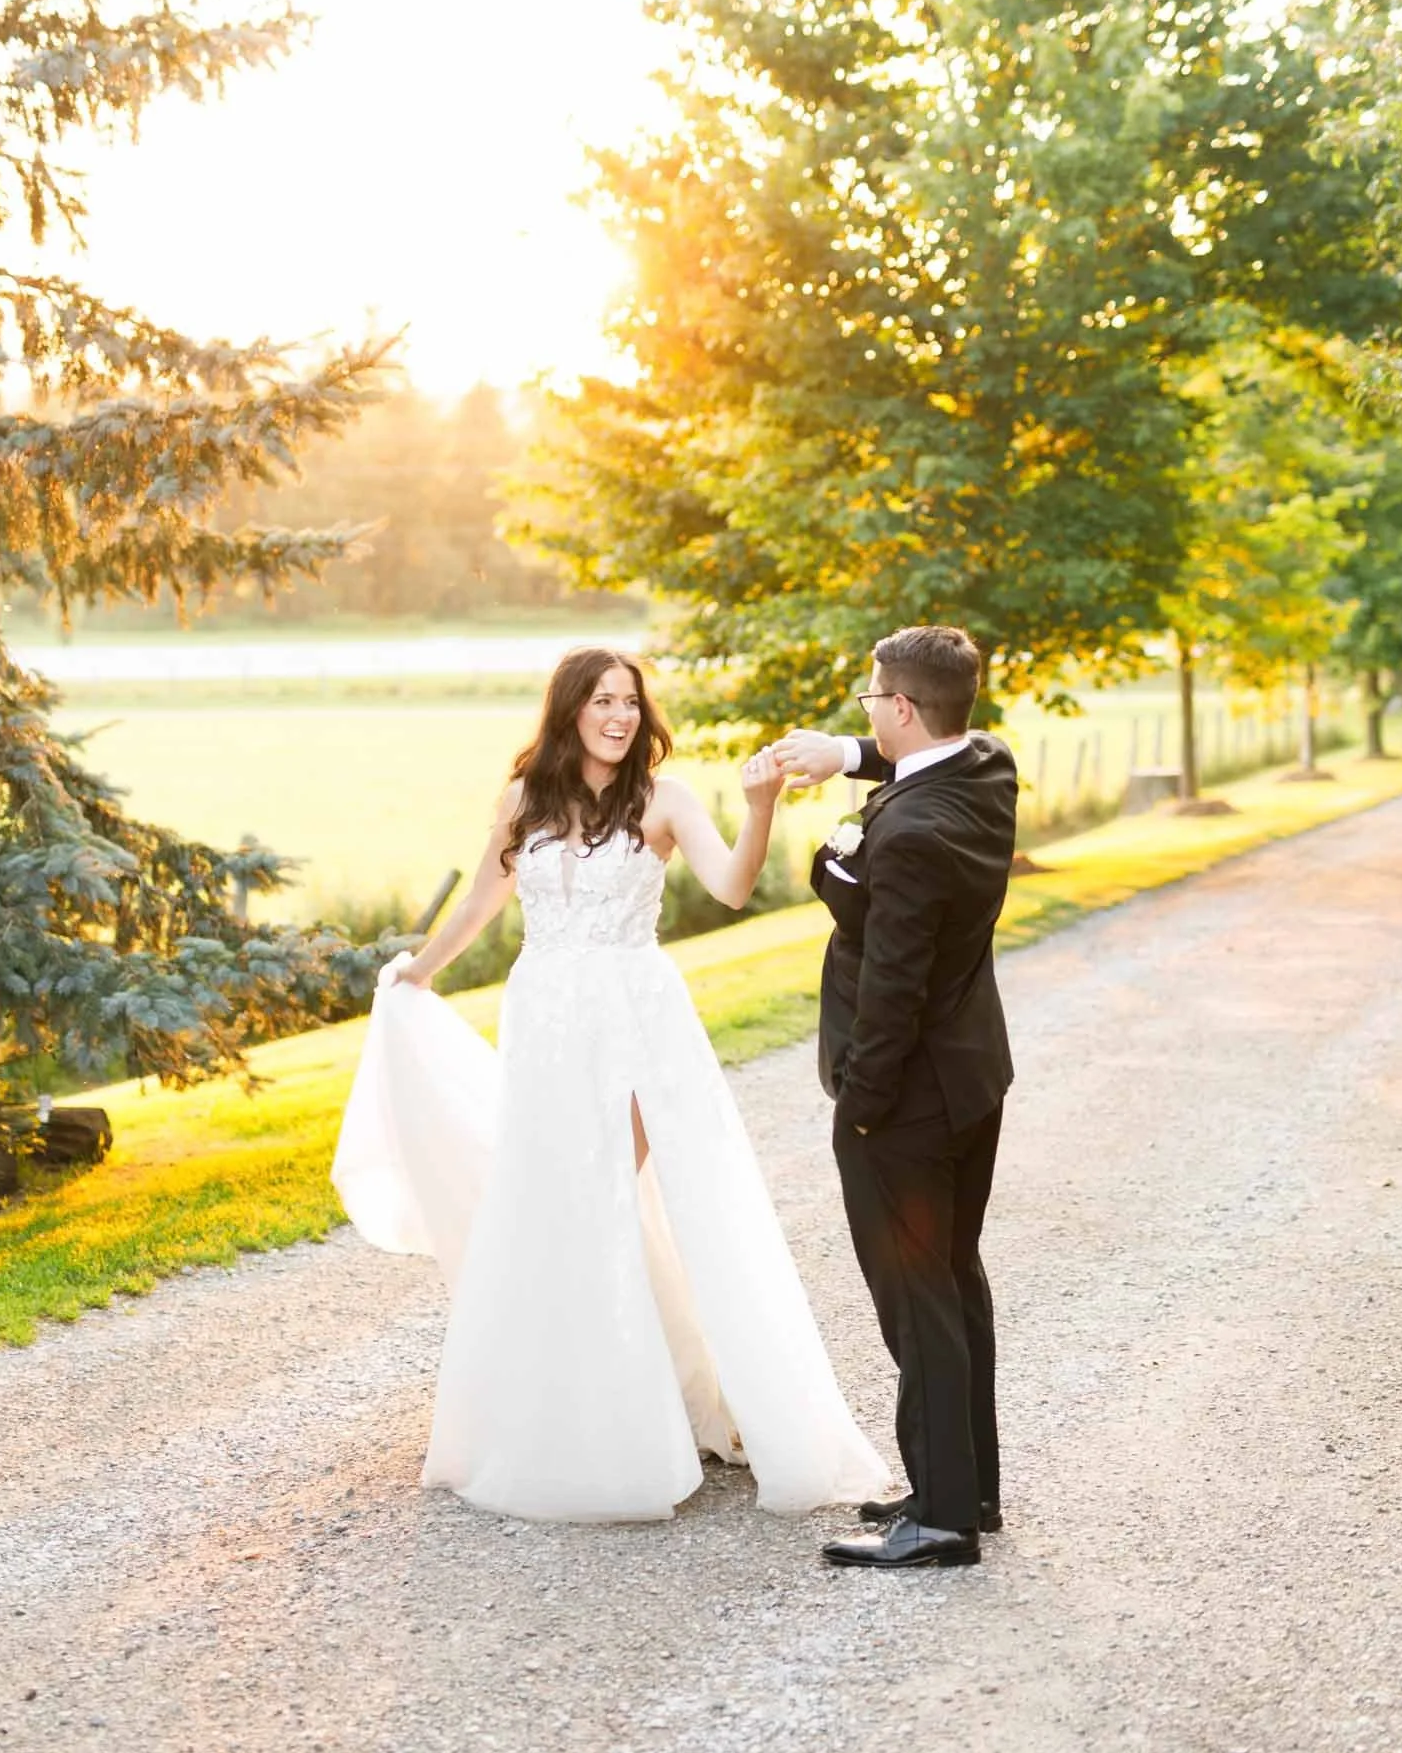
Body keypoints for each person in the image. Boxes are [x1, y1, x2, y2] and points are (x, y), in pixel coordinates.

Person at [331, 645, 889, 1524]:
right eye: (601, 702)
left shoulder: (665, 800)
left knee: (605, 1200)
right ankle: (565, 1411)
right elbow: (482, 902)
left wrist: (760, 804)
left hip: (636, 1018)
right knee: (556, 1203)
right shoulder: (524, 800)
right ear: (569, 712)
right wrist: (418, 973)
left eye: (630, 701)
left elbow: (733, 888)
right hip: (546, 1018)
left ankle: (642, 1422)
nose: (620, 717)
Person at [774, 625, 1018, 1570]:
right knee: (952, 1283)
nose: (867, 712)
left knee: (917, 1303)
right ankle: (966, 1487)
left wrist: (859, 1103)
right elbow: (904, 756)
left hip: (906, 1102)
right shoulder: (986, 769)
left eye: (873, 700)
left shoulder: (910, 833)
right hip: (971, 1081)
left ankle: (943, 1524)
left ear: (905, 707)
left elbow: (893, 991)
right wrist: (841, 756)